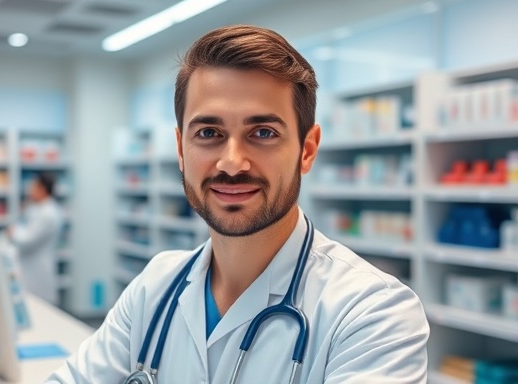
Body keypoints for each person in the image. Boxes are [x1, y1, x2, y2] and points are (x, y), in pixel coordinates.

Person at [47, 25, 429, 383]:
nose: (232, 162)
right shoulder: (156, 286)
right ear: (181, 149)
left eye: (263, 132)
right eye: (209, 132)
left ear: (307, 150)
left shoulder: (373, 313)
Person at [8, 172, 63, 304]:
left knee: (41, 308)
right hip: (29, 268)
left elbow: (27, 240)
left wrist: (13, 233)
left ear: (42, 189)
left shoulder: (48, 213)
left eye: (33, 187)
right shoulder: (37, 209)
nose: (30, 191)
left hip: (38, 270)